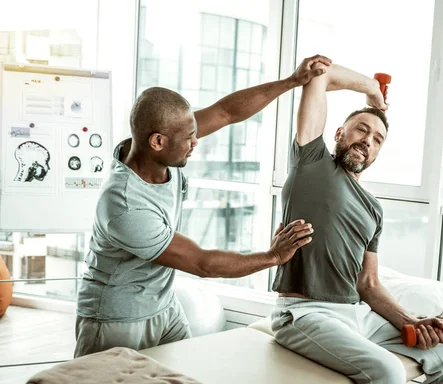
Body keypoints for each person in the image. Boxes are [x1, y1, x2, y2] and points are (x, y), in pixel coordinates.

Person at [74, 54, 332, 358]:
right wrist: (274, 256)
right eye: (188, 138)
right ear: (157, 141)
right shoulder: (125, 205)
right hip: (116, 320)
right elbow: (202, 263)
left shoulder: (153, 149)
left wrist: (292, 81)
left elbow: (225, 112)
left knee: (188, 378)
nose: (196, 142)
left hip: (163, 307)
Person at [271, 62, 443, 384]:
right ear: (339, 134)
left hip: (354, 315)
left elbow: (368, 283)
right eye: (361, 130)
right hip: (304, 314)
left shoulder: (374, 210)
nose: (368, 141)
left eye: (377, 139)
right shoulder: (312, 164)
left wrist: (411, 322)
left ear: (378, 152)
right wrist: (370, 90)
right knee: (388, 372)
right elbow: (319, 75)